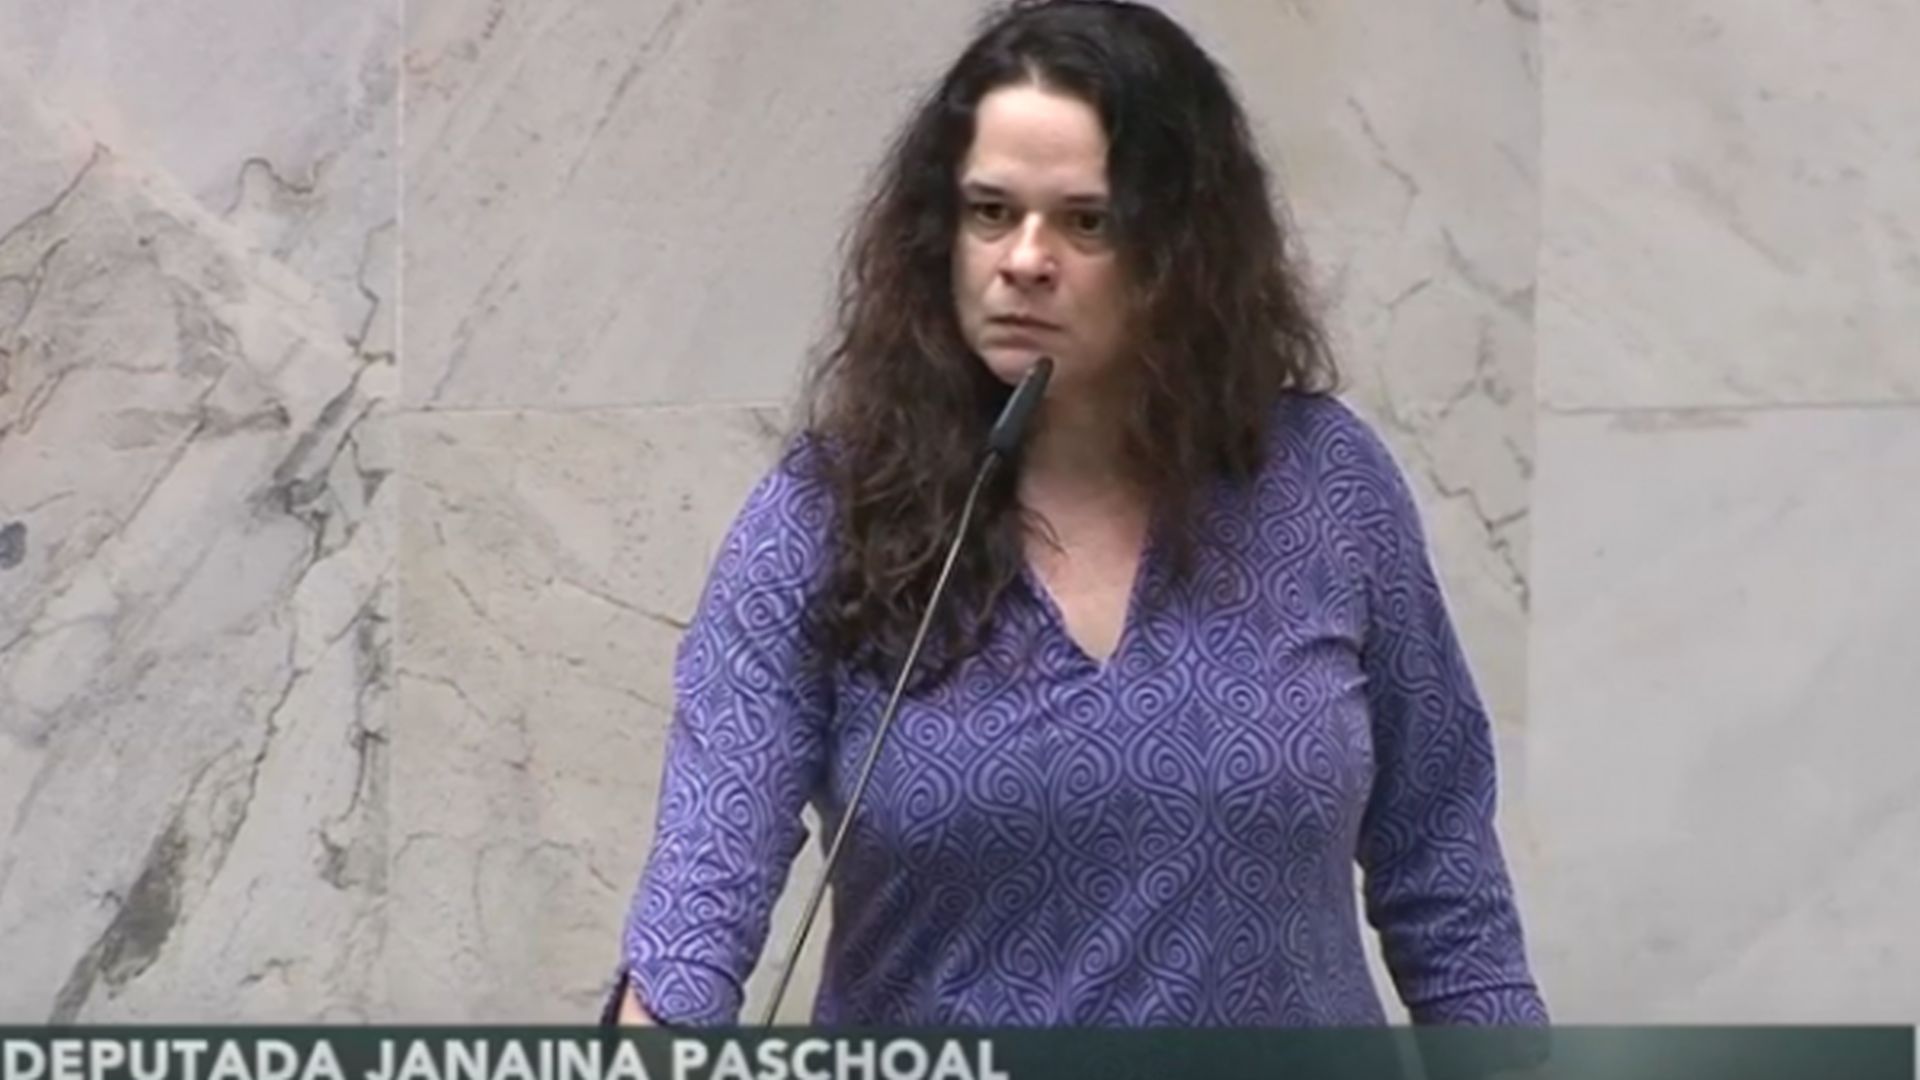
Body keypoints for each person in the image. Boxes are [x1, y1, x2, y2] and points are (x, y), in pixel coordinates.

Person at [607, 0, 1547, 1028]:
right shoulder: (825, 515)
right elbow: (697, 902)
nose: (1025, 258)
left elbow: (1441, 858)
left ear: (1182, 250)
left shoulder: (1325, 484)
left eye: (1086, 221)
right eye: (989, 212)